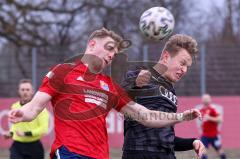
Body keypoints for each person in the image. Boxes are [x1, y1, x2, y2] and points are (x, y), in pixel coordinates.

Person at [8, 28, 202, 159]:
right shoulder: (62, 72)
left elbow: (145, 115)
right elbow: (34, 108)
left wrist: (180, 117)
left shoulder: (109, 85)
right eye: (109, 48)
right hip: (69, 153)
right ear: (91, 45)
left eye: (115, 53)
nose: (111, 55)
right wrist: (23, 114)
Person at [122, 34, 206, 159]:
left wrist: (192, 142)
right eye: (182, 63)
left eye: (187, 67)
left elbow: (165, 138)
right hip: (139, 153)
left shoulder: (172, 92)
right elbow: (119, 93)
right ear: (166, 57)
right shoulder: (141, 74)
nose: (184, 70)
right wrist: (135, 81)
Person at [3, 79, 49, 159]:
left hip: (34, 147)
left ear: (32, 91)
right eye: (22, 89)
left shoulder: (41, 109)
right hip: (17, 147)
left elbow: (43, 129)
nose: (25, 92)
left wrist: (26, 134)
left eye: (27, 90)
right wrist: (10, 134)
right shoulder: (14, 107)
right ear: (19, 91)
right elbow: (15, 127)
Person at [197, 94, 227, 159]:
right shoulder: (201, 110)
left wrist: (210, 118)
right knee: (202, 152)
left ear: (210, 100)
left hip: (214, 135)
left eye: (207, 98)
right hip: (205, 135)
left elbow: (220, 120)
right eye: (204, 98)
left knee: (220, 151)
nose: (205, 100)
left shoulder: (213, 109)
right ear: (202, 100)